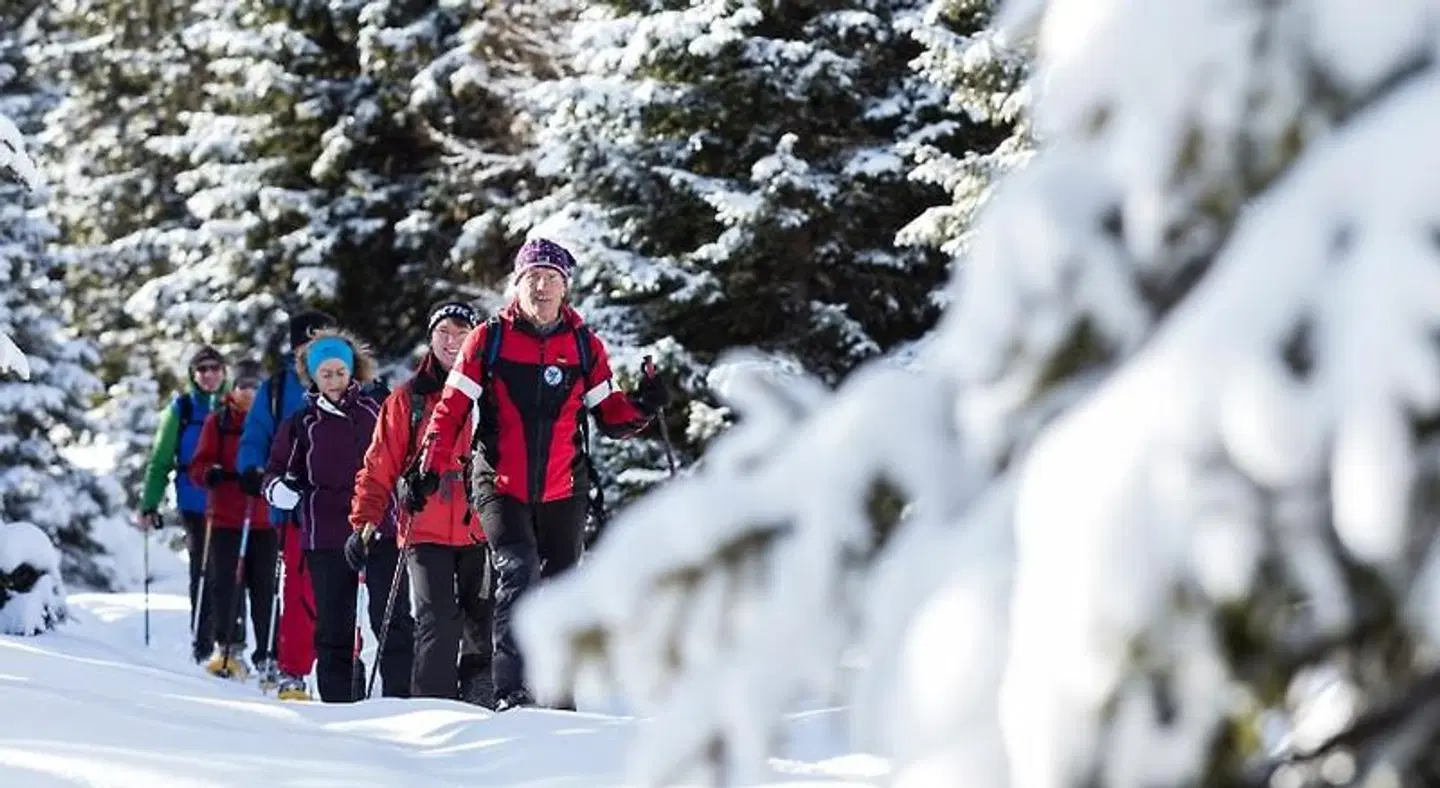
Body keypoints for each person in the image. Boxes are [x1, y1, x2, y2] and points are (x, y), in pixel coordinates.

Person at [413, 238, 670, 711]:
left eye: (552, 278)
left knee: (562, 587)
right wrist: (429, 465)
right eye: (534, 277)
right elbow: (451, 409)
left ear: (566, 287)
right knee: (518, 572)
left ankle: (558, 692)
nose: (543, 286)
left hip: (563, 488)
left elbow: (611, 417)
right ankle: (512, 690)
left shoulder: (583, 345)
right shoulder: (487, 339)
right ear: (518, 283)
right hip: (499, 484)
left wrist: (645, 406)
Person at [351, 301, 494, 706]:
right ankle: (435, 710)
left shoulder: (489, 394)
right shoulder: (409, 399)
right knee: (437, 621)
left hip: (480, 527)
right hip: (424, 527)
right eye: (442, 332)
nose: (451, 341)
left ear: (474, 337)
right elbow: (379, 464)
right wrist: (364, 522)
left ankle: (479, 706)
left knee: (480, 624)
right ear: (430, 338)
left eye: (460, 332)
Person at [263, 330, 415, 703]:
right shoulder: (301, 424)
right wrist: (281, 489)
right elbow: (276, 470)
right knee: (334, 623)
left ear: (353, 373)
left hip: (376, 528)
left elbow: (398, 459)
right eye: (325, 374)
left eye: (340, 372)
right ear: (313, 377)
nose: (333, 381)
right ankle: (338, 702)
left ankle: (404, 697)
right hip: (325, 534)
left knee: (390, 617)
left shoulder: (373, 412)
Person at [237, 310, 335, 699]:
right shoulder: (278, 388)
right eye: (304, 344)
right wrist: (251, 469)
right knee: (296, 590)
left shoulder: (346, 381)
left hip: (340, 506)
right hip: (294, 506)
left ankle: (343, 664)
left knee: (342, 590)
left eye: (319, 341)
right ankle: (293, 668)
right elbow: (255, 435)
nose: (311, 351)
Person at [139, 344, 230, 664]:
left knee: (231, 572)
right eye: (202, 370)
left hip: (231, 503)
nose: (209, 375)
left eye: (214, 368)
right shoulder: (183, 409)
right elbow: (161, 460)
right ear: (194, 375)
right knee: (202, 571)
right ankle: (203, 642)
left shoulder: (235, 405)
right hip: (194, 502)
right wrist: (149, 504)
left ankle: (230, 642)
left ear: (224, 372)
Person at [187, 358, 276, 680]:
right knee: (226, 587)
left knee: (265, 590)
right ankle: (229, 647)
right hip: (225, 519)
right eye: (243, 387)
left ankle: (268, 653)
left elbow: (284, 462)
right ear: (233, 389)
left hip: (264, 520)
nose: (248, 393)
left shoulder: (272, 422)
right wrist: (208, 474)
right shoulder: (218, 422)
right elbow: (199, 465)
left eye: (255, 387)